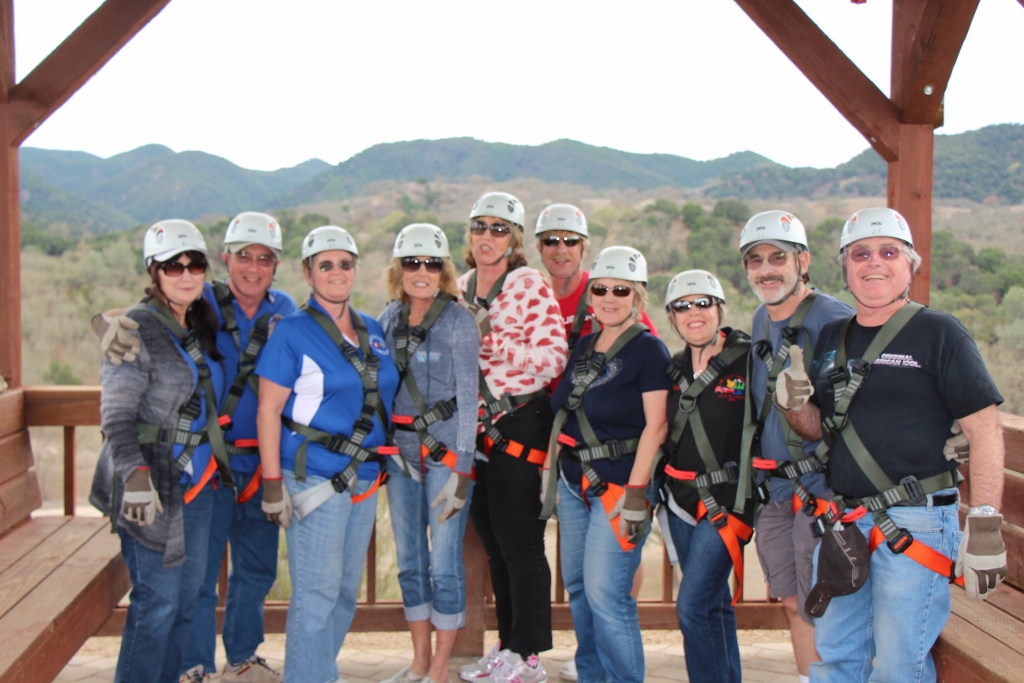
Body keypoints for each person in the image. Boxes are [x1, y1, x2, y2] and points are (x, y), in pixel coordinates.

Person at [776, 207, 1007, 683]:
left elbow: (985, 430)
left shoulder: (939, 333)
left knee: (901, 668)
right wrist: (793, 404)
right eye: (860, 254)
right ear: (845, 267)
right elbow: (819, 429)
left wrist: (984, 522)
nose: (874, 263)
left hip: (915, 522)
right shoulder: (834, 337)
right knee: (836, 659)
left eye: (888, 252)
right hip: (845, 520)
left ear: (910, 266)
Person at [95, 211, 296, 683]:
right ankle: (195, 667)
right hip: (182, 470)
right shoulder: (202, 302)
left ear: (276, 264)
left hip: (240, 463)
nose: (253, 267)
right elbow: (138, 327)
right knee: (174, 594)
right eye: (243, 256)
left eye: (264, 258)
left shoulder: (274, 309)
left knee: (231, 577)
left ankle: (239, 658)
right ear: (225, 260)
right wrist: (104, 324)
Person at [255, 225, 399, 683]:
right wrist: (272, 484)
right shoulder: (292, 332)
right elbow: (268, 409)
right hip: (314, 474)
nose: (336, 272)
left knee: (342, 593)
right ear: (308, 273)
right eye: (325, 265)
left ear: (355, 269)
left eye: (344, 264)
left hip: (363, 476)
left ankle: (319, 673)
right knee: (315, 594)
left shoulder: (372, 329)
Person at [89, 219, 227, 683]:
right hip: (150, 486)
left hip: (198, 485)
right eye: (173, 266)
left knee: (187, 604)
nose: (186, 275)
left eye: (195, 265)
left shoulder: (200, 317)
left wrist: (100, 319)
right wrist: (135, 477)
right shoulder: (137, 329)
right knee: (156, 606)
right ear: (155, 272)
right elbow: (116, 416)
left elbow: (252, 291)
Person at [533, 203, 656, 682]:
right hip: (572, 483)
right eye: (601, 289)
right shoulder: (584, 346)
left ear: (637, 296)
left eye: (620, 290)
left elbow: (657, 426)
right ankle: (591, 674)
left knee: (608, 595)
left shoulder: (647, 349)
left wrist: (637, 495)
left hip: (619, 485)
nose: (608, 297)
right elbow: (563, 409)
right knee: (581, 588)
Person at [456, 192, 568, 683]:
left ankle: (529, 655)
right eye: (480, 226)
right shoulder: (461, 286)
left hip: (518, 420)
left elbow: (552, 358)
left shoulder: (527, 284)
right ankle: (507, 645)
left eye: (499, 228)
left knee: (521, 542)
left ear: (514, 238)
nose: (488, 236)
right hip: (477, 429)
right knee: (496, 543)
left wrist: (492, 338)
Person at [739, 210, 853, 683]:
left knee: (823, 604)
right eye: (755, 260)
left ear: (802, 262)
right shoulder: (761, 319)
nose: (766, 269)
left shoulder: (834, 320)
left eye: (778, 258)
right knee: (791, 601)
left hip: (820, 487)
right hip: (776, 487)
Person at [377, 224, 480, 683]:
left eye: (432, 263)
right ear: (398, 269)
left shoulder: (458, 320)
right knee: (410, 559)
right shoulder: (387, 318)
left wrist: (463, 467)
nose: (422, 271)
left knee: (444, 563)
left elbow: (468, 396)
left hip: (445, 454)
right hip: (400, 454)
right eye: (412, 263)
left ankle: (440, 666)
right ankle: (419, 659)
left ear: (444, 270)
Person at [659, 269, 756, 683]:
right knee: (713, 604)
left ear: (720, 309)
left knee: (693, 606)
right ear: (672, 316)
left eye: (703, 303)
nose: (693, 313)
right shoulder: (673, 369)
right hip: (679, 498)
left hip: (729, 498)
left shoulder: (749, 360)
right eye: (683, 306)